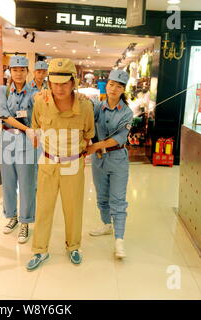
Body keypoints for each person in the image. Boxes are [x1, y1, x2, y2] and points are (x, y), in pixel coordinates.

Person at [26, 58, 95, 271]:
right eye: (54, 83)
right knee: (44, 208)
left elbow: (88, 134)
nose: (59, 88)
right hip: (48, 162)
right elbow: (36, 126)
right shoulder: (40, 102)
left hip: (73, 164)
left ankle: (73, 246)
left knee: (73, 209)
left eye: (64, 83)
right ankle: (40, 250)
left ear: (73, 82)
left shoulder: (85, 106)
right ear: (48, 82)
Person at [86, 69, 133, 259]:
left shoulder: (127, 113)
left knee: (118, 201)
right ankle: (106, 225)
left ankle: (119, 240)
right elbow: (86, 119)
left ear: (123, 90)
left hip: (118, 159)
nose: (114, 89)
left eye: (119, 86)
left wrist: (95, 145)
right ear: (107, 85)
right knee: (102, 197)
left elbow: (119, 138)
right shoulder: (97, 107)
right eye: (112, 84)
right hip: (98, 160)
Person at [0, 55, 38, 244]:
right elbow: (4, 115)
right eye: (15, 70)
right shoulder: (3, 91)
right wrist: (27, 128)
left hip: (27, 142)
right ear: (10, 72)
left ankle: (25, 222)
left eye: (22, 70)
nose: (19, 74)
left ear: (27, 72)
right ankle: (12, 216)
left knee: (27, 183)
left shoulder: (35, 93)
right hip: (7, 139)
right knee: (9, 181)